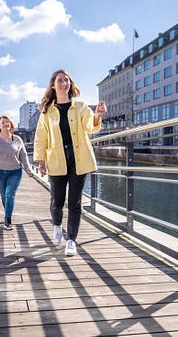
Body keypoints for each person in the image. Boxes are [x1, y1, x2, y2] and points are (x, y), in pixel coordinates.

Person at [34, 69, 106, 256]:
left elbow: (91, 127)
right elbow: (41, 137)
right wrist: (40, 159)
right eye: (60, 80)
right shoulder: (47, 111)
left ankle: (71, 240)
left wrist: (97, 115)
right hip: (56, 160)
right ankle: (57, 226)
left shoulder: (81, 106)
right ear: (53, 85)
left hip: (78, 160)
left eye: (67, 80)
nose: (64, 83)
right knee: (57, 202)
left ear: (70, 84)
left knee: (75, 203)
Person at [0, 114, 33, 230]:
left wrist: (28, 170)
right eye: (3, 122)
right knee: (4, 196)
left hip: (15, 172)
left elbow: (23, 156)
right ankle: (7, 213)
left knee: (10, 195)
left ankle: (8, 219)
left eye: (7, 122)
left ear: (11, 124)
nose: (5, 124)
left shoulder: (17, 139)